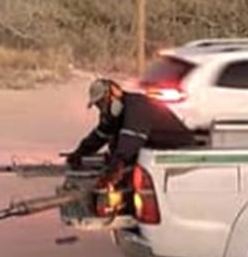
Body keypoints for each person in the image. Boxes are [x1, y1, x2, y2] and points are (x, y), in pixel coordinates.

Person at [67, 78, 196, 187]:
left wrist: (116, 164)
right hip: (151, 152)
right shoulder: (113, 115)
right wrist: (80, 153)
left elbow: (131, 140)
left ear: (115, 93)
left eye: (102, 102)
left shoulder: (137, 106)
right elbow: (100, 135)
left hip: (176, 152)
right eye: (98, 106)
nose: (101, 108)